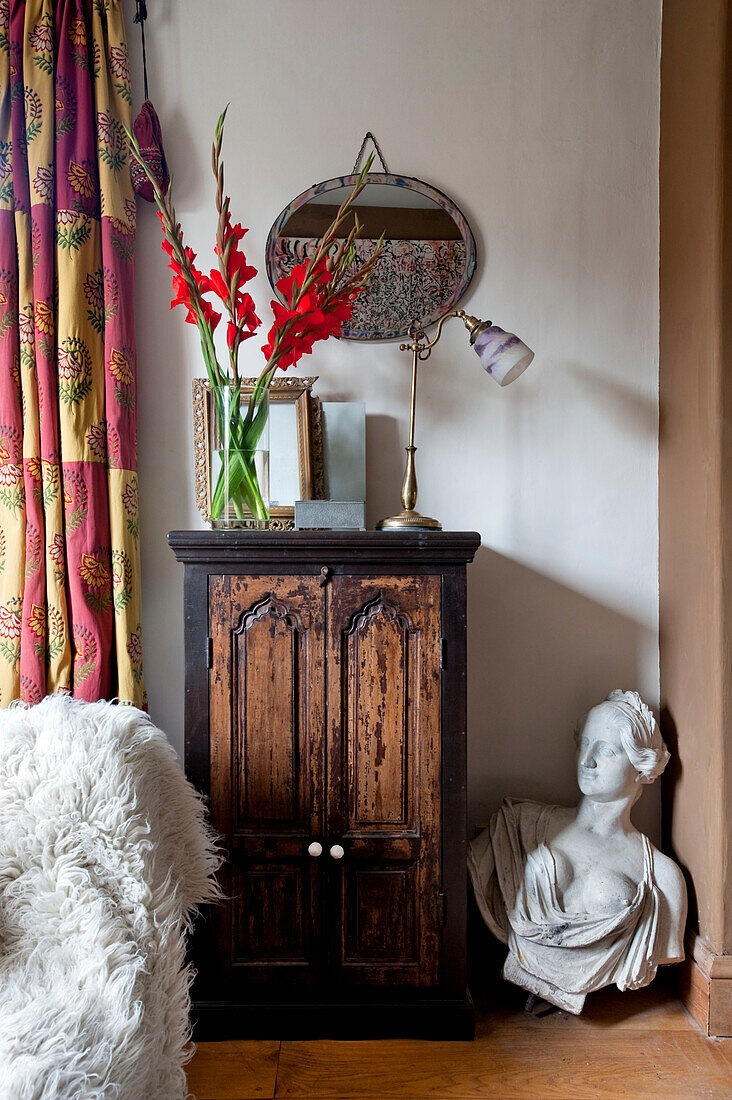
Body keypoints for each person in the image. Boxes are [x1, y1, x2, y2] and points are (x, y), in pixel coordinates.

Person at [468, 690, 687, 1013]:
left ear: (643, 767)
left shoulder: (663, 878)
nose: (587, 760)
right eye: (584, 744)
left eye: (607, 750)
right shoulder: (519, 825)